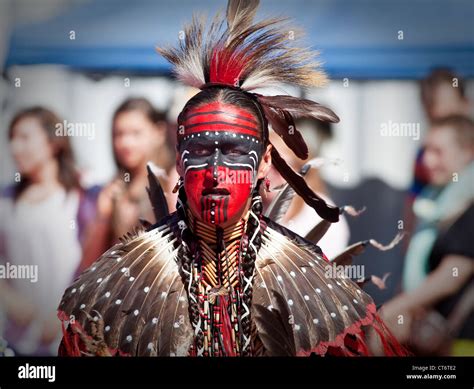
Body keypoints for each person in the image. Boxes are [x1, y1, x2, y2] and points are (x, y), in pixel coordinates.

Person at [57, 0, 405, 357]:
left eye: (236, 153)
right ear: (179, 161)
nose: (215, 172)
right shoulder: (119, 280)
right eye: (201, 151)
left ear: (264, 163)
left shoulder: (311, 280)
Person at [0, 107, 95, 355]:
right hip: (16, 340)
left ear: (54, 143)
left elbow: (96, 262)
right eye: (12, 138)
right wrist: (9, 298)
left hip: (69, 341)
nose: (14, 147)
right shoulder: (6, 201)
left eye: (24, 137)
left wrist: (65, 314)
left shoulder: (82, 198)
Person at [382, 115, 474, 356]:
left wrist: (394, 309)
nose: (428, 160)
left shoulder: (468, 206)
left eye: (438, 151)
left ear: (468, 152)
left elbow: (451, 277)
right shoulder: (436, 203)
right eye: (426, 151)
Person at [79, 98, 178, 272]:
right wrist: (102, 216)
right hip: (121, 291)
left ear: (159, 132)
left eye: (135, 133)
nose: (125, 143)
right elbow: (88, 266)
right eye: (118, 134)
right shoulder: (113, 191)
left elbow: (178, 246)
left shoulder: (172, 180)